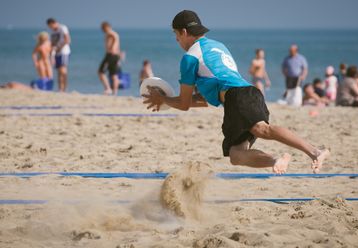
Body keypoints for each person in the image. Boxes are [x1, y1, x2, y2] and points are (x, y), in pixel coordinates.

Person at [143, 10, 329, 174]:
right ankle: (276, 160)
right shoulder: (218, 46)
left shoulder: (190, 57)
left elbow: (184, 104)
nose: (177, 40)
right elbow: (202, 99)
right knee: (236, 155)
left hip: (237, 97)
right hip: (243, 96)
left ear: (183, 32)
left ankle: (315, 152)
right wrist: (165, 99)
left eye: (176, 34)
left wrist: (163, 99)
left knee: (262, 129)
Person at [46, 18, 71, 92]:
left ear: (54, 23)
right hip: (56, 53)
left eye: (51, 26)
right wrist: (51, 54)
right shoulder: (52, 32)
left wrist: (59, 48)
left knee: (63, 70)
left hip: (64, 52)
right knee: (59, 71)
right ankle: (60, 89)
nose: (51, 27)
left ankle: (65, 88)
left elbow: (67, 40)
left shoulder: (63, 28)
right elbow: (52, 43)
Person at [98, 22, 121, 95]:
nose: (103, 30)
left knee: (101, 71)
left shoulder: (110, 33)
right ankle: (115, 92)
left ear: (107, 27)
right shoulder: (110, 33)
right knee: (114, 74)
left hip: (111, 54)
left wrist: (113, 47)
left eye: (104, 29)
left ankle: (108, 88)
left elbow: (115, 37)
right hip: (115, 55)